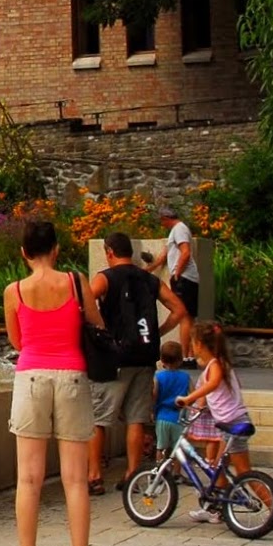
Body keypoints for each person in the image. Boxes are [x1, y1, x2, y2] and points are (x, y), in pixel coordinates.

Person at [2, 218, 103, 546]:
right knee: (75, 479)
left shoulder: (14, 291)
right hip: (72, 375)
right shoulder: (76, 282)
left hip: (30, 377)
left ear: (24, 252)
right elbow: (97, 325)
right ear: (56, 249)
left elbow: (17, 341)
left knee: (28, 479)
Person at [86, 231, 187, 494]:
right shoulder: (150, 280)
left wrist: (98, 329)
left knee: (98, 419)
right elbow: (179, 309)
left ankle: (95, 476)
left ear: (109, 252)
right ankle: (132, 474)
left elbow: (85, 303)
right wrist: (158, 333)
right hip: (145, 357)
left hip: (114, 359)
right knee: (136, 419)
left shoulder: (105, 278)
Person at [176, 321, 273, 524]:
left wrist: (188, 398)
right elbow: (212, 392)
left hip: (234, 424)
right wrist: (197, 408)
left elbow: (212, 384)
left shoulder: (216, 365)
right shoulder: (215, 364)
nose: (191, 346)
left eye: (192, 341)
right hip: (227, 425)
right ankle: (215, 509)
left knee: (243, 471)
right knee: (217, 467)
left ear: (200, 344)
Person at [141, 207, 199, 363]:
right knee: (188, 316)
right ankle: (190, 354)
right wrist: (148, 269)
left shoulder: (179, 229)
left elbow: (185, 252)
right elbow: (164, 256)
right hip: (185, 277)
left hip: (185, 277)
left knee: (184, 315)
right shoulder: (175, 231)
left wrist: (177, 272)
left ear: (166, 218)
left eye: (162, 221)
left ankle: (186, 356)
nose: (162, 224)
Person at [152, 340, 190, 457]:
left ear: (162, 360)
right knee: (178, 449)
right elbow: (193, 395)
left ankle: (159, 466)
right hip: (179, 417)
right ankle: (177, 469)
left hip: (162, 416)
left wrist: (152, 411)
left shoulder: (158, 376)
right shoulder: (185, 377)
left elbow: (154, 395)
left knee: (161, 447)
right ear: (181, 359)